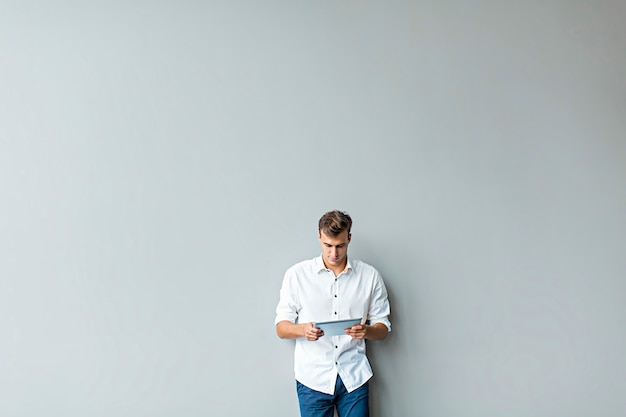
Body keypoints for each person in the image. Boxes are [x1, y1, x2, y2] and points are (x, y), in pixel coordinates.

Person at [275, 210, 391, 417]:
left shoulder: (370, 276)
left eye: (340, 246)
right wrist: (303, 329)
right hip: (312, 378)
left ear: (349, 238)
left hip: (354, 376)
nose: (334, 254)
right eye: (328, 245)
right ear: (319, 236)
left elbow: (383, 329)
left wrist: (366, 331)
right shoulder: (297, 275)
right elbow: (281, 328)